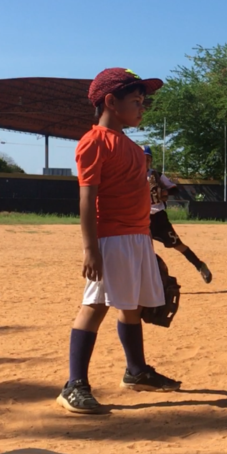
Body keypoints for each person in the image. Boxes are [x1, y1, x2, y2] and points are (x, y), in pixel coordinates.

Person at [57, 68, 182, 415]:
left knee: (132, 306)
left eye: (143, 101)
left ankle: (136, 371)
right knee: (95, 307)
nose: (142, 108)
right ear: (111, 102)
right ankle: (74, 386)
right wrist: (91, 249)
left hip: (136, 237)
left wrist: (145, 244)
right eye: (136, 101)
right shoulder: (94, 141)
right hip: (109, 238)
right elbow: (86, 198)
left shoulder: (130, 146)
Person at [143, 145, 212, 284]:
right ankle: (152, 284)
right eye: (142, 158)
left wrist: (165, 193)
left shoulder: (156, 175)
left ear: (150, 160)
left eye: (147, 158)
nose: (144, 161)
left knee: (178, 245)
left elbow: (174, 188)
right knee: (146, 251)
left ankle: (199, 265)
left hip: (159, 217)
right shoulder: (130, 176)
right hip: (142, 218)